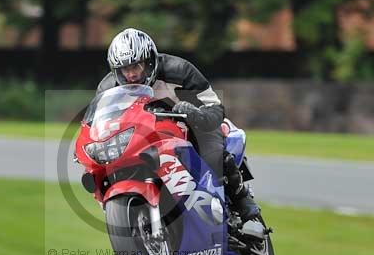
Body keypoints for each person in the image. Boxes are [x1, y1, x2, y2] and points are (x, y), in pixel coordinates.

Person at [96, 28, 261, 222]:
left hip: (190, 126)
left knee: (213, 157)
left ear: (149, 61)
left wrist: (195, 114)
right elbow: (100, 123)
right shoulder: (107, 88)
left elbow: (214, 107)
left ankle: (241, 199)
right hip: (144, 136)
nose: (131, 74)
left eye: (136, 66)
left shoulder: (179, 71)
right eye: (125, 69)